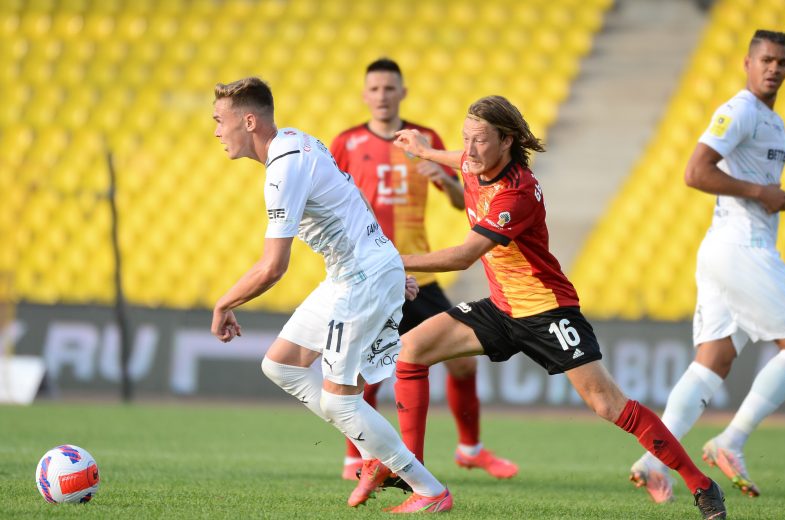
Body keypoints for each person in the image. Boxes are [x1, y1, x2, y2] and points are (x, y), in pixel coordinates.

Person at [378, 95, 726, 518]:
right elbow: (462, 160)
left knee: (609, 405)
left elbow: (463, 256)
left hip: (547, 311)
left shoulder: (517, 193)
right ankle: (417, 480)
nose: (469, 150)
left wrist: (390, 259)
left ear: (506, 141)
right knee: (411, 350)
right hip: (503, 308)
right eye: (465, 138)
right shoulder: (477, 162)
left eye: (480, 140)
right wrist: (425, 150)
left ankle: (702, 485)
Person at [209, 77, 452, 513]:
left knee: (340, 401)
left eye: (219, 121)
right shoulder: (298, 140)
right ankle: (374, 453)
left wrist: (224, 302)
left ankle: (430, 491)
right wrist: (388, 259)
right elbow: (353, 197)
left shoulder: (284, 168)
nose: (216, 132)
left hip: (361, 279)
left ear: (248, 121)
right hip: (353, 273)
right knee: (281, 365)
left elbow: (273, 267)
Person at [629, 29, 785, 503]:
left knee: (714, 360)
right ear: (747, 63)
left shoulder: (773, 123)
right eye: (766, 60)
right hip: (743, 249)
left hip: (725, 249)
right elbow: (696, 172)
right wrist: (760, 193)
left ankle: (653, 460)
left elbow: (762, 191)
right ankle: (730, 442)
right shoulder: (739, 111)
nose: (774, 68)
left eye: (782, 62)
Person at [330, 58, 518, 484]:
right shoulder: (346, 142)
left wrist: (447, 180)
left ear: (403, 93)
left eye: (389, 88)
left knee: (463, 365)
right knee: (365, 370)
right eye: (375, 89)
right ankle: (355, 457)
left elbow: (460, 201)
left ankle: (470, 449)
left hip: (422, 275)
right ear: (365, 95)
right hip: (372, 274)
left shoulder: (424, 139)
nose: (382, 96)